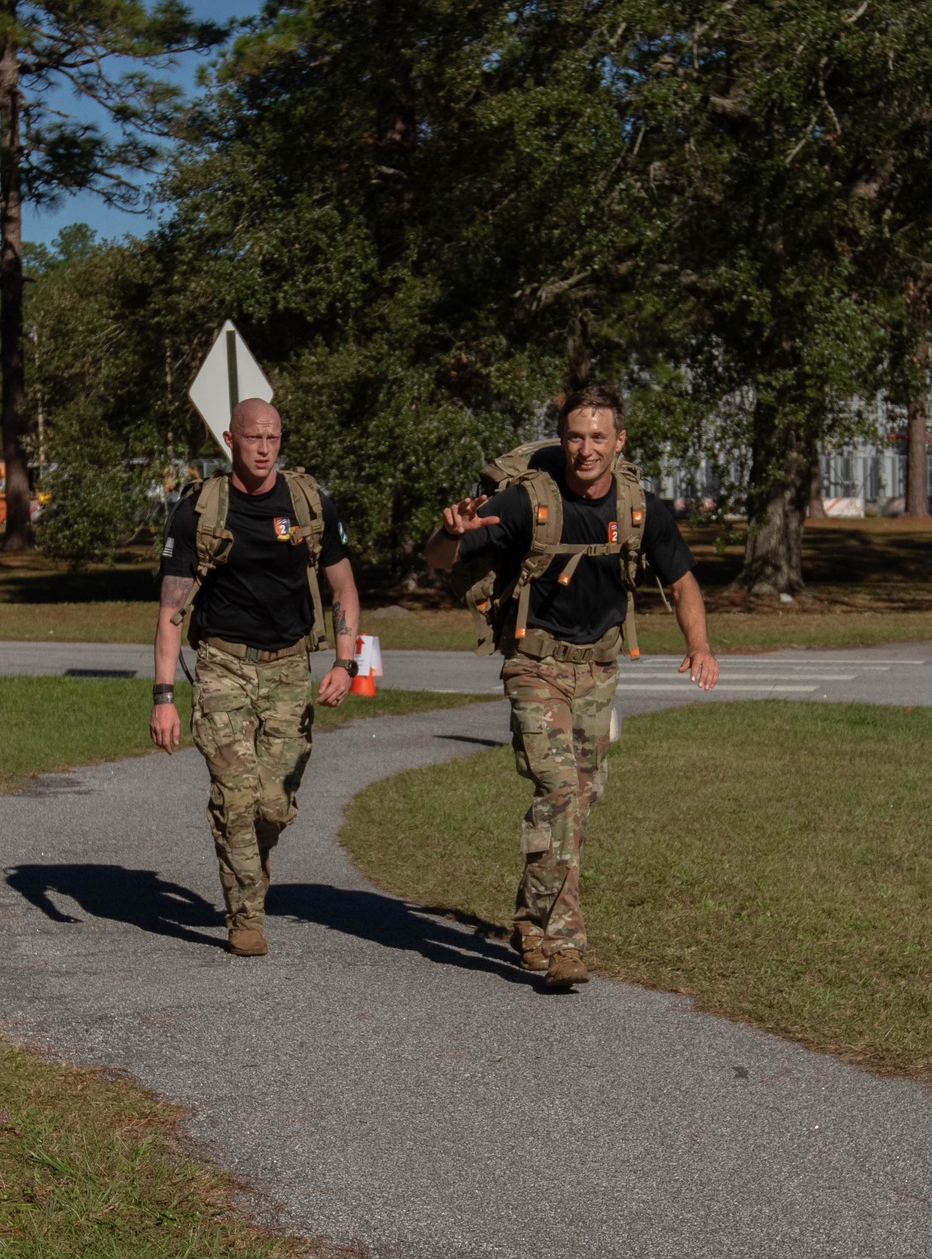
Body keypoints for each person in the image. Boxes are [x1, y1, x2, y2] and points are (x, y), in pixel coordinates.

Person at [425, 383, 719, 990]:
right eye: (575, 437)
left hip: (599, 670)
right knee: (559, 791)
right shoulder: (524, 503)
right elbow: (437, 560)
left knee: (578, 803)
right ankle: (564, 944)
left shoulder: (638, 507)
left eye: (598, 437)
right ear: (562, 439)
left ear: (619, 441)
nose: (586, 450)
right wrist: (449, 532)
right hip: (534, 667)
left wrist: (699, 644)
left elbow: (683, 579)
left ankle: (530, 923)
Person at [150, 398, 360, 956]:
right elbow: (171, 612)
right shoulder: (199, 510)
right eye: (252, 439)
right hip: (222, 665)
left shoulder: (310, 503)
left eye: (273, 438)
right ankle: (245, 913)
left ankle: (253, 858)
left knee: (274, 803)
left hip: (291, 666)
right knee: (235, 794)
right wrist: (164, 697)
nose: (264, 449)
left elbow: (344, 589)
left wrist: (345, 662)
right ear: (230, 440)